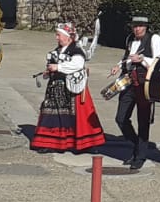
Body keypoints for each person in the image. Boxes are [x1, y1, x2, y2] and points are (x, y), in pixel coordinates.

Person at [32, 23, 107, 153]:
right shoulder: (57, 51)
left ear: (68, 37)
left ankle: (86, 144)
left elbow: (78, 64)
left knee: (80, 116)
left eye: (59, 35)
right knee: (52, 114)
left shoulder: (76, 51)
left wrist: (58, 67)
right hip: (55, 88)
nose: (56, 38)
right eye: (57, 35)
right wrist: (49, 71)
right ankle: (51, 143)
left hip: (73, 89)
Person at [110, 16, 160, 169]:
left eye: (140, 26)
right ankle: (136, 146)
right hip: (128, 82)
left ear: (146, 27)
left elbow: (159, 61)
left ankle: (141, 155)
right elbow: (126, 57)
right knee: (121, 118)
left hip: (144, 83)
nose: (137, 29)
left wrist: (143, 59)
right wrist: (119, 65)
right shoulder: (130, 40)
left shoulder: (154, 39)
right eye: (134, 26)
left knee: (143, 120)